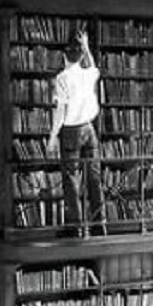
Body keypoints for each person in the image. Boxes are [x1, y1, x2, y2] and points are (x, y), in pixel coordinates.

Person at [47, 27, 106, 237]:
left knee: (71, 179)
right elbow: (93, 64)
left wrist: (53, 137)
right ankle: (100, 224)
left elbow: (60, 110)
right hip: (89, 129)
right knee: (94, 177)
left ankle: (76, 227)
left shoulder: (62, 78)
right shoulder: (88, 74)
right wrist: (87, 46)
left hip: (71, 131)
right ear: (81, 56)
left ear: (64, 57)